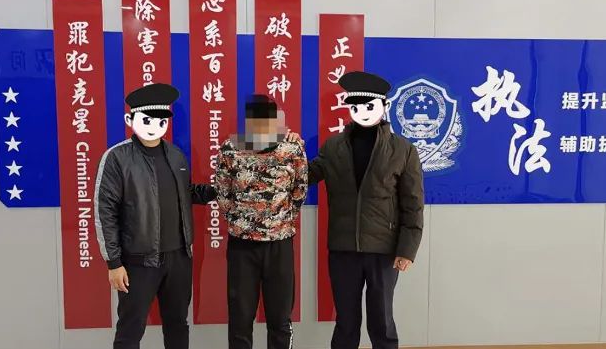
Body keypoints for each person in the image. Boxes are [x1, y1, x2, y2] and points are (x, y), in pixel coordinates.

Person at [289, 71, 424, 349]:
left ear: (384, 106)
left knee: (382, 321)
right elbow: (304, 176)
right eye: (356, 107)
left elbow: (413, 203)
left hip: (384, 250)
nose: (362, 112)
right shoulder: (333, 147)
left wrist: (407, 249)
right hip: (343, 249)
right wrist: (287, 150)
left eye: (369, 106)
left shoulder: (403, 150)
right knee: (346, 322)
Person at [94, 83, 217, 349]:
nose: (154, 126)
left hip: (179, 257)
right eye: (147, 120)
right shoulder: (116, 158)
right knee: (130, 329)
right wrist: (114, 263)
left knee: (178, 324)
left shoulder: (175, 155)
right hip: (138, 261)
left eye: (161, 121)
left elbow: (185, 192)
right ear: (130, 120)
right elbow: (105, 211)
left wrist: (217, 191)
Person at [214, 95, 308, 349]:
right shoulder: (230, 149)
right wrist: (242, 222)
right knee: (240, 319)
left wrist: (280, 221)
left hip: (279, 244)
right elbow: (223, 193)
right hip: (242, 246)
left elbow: (299, 190)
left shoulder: (291, 149)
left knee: (280, 318)